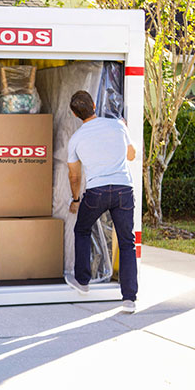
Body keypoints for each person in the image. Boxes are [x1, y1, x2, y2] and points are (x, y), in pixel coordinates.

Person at [64, 90, 138, 313]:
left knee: (83, 230)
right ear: (95, 105)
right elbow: (132, 155)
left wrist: (76, 199)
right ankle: (129, 299)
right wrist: (122, 130)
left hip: (96, 193)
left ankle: (83, 281)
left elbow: (74, 176)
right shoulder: (117, 125)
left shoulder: (76, 139)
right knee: (127, 242)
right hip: (124, 190)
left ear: (75, 114)